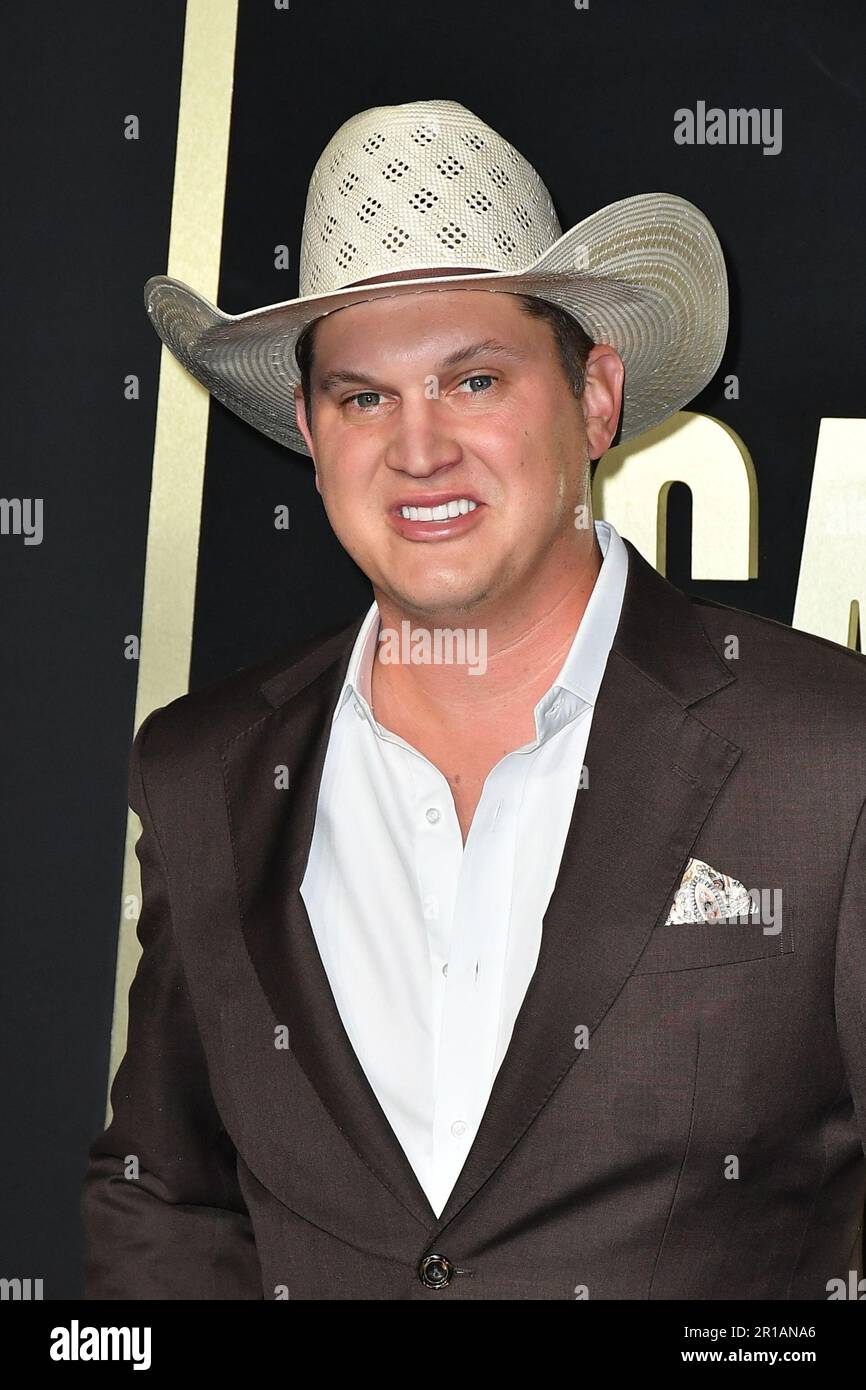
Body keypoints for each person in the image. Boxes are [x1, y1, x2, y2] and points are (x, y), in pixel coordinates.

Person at [82, 99, 866, 1300]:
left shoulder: (826, 756)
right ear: (306, 428)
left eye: (474, 379)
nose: (419, 449)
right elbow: (168, 1196)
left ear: (595, 399)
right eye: (363, 398)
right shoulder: (204, 772)